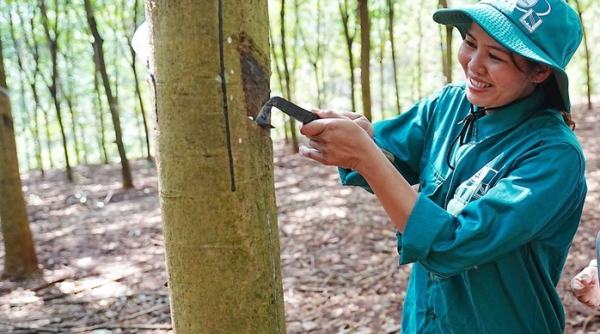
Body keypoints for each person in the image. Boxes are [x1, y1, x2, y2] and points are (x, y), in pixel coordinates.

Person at [298, 0, 586, 332]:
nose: (473, 65)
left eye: (495, 56)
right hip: (425, 320)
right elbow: (392, 154)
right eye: (470, 43)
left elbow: (451, 245)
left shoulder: (553, 155)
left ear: (540, 71)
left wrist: (366, 156)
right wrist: (363, 141)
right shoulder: (449, 104)